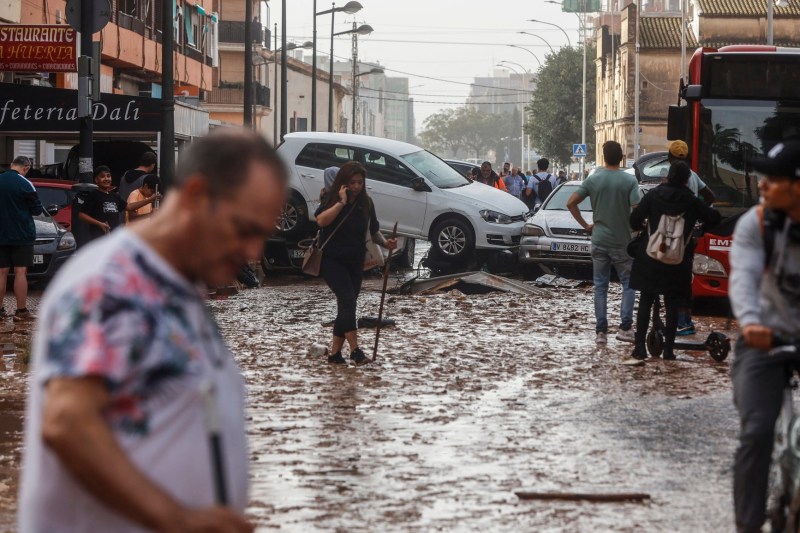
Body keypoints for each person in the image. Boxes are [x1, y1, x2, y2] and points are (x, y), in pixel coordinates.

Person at [19, 128, 286, 532]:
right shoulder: (113, 281)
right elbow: (67, 421)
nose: (253, 252)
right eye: (245, 229)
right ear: (196, 196)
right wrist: (175, 518)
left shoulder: (176, 287)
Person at [729, 140, 800, 533]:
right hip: (765, 342)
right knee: (756, 434)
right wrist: (751, 322)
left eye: (773, 179)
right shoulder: (754, 224)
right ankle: (748, 526)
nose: (762, 186)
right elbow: (743, 279)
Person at [628, 162, 720, 360]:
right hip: (678, 261)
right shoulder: (692, 201)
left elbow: (634, 220)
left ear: (667, 176)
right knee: (672, 302)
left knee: (645, 300)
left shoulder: (653, 195)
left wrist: (647, 226)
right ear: (687, 180)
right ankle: (668, 351)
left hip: (650, 257)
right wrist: (695, 230)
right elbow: (714, 218)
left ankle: (640, 349)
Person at [315, 162, 397, 366]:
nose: (357, 186)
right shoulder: (331, 198)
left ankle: (335, 355)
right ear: (343, 182)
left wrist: (386, 243)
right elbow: (321, 221)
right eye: (352, 182)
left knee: (346, 306)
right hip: (332, 261)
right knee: (348, 300)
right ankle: (355, 351)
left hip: (355, 261)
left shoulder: (366, 203)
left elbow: (374, 230)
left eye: (360, 182)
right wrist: (341, 203)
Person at [567, 141, 642, 344]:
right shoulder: (629, 181)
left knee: (600, 286)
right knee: (628, 283)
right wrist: (635, 227)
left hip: (598, 238)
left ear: (603, 157)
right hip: (622, 241)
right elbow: (637, 206)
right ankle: (625, 328)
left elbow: (571, 202)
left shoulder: (594, 179)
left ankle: (601, 333)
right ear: (621, 158)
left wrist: (585, 225)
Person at [666, 140, 717, 336]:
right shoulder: (694, 176)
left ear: (669, 157)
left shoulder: (675, 179)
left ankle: (679, 322)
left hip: (673, 237)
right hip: (690, 237)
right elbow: (710, 196)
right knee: (685, 279)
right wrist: (700, 220)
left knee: (673, 280)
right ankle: (685, 321)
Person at [0, 156, 43, 322]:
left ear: (12, 165)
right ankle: (21, 310)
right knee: (20, 271)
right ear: (26, 167)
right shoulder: (25, 183)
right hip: (21, 234)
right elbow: (37, 210)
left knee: (1, 272)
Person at [79, 166, 155, 242]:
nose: (106, 179)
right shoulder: (93, 195)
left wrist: (149, 200)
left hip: (114, 237)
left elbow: (129, 207)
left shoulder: (114, 196)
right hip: (99, 238)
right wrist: (99, 224)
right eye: (102, 176)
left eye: (108, 176)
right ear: (96, 180)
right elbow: (82, 215)